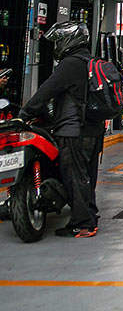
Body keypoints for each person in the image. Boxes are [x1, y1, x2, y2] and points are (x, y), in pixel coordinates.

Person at [17, 21, 104, 237]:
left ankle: (83, 225)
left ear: (69, 40)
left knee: (74, 176)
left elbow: (45, 92)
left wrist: (24, 115)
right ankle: (90, 215)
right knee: (86, 176)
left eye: (59, 41)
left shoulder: (70, 65)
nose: (57, 46)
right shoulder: (90, 62)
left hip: (73, 130)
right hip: (93, 129)